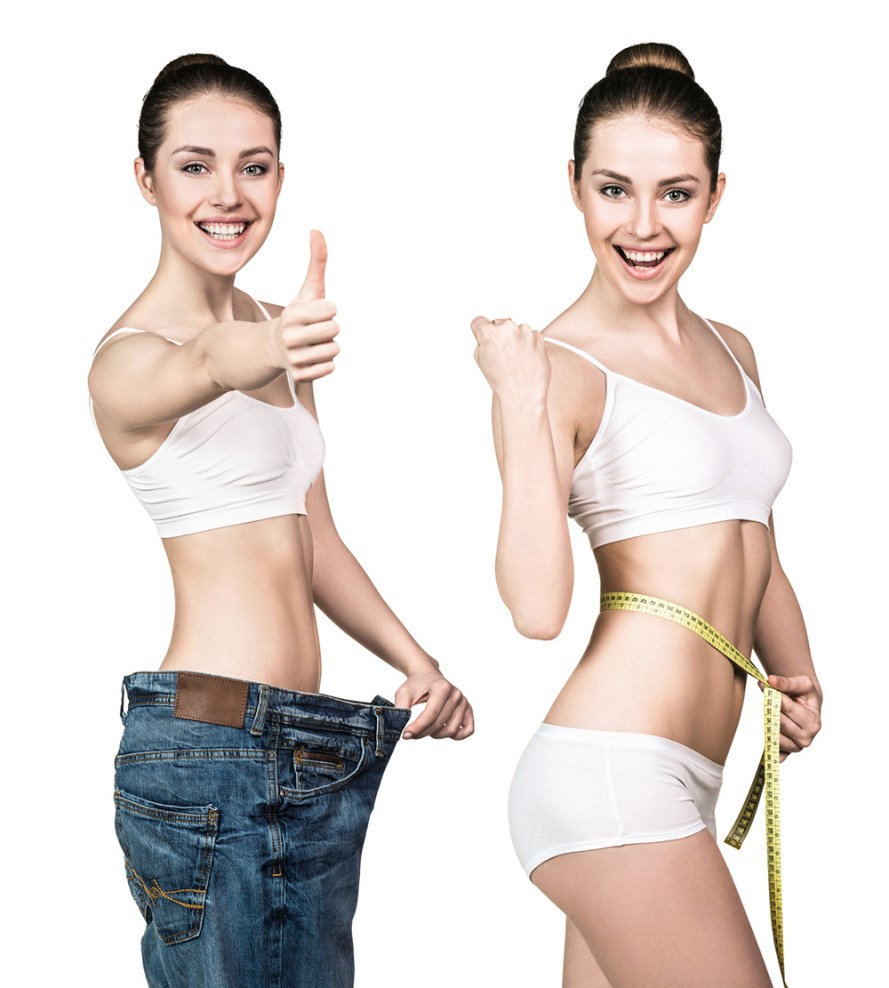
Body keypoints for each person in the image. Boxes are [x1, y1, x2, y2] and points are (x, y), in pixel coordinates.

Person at [89, 54, 473, 988]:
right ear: (145, 179)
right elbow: (205, 362)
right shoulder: (127, 363)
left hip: (303, 747)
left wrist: (415, 660)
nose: (228, 194)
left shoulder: (279, 330)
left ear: (279, 178)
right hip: (211, 757)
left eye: (253, 166)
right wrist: (255, 347)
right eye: (194, 165)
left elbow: (316, 543)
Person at [470, 42, 821, 988]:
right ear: (574, 187)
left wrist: (796, 671)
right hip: (609, 778)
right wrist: (517, 400)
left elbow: (754, 539)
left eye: (674, 193)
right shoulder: (558, 368)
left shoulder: (733, 347)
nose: (642, 225)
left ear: (714, 195)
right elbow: (537, 607)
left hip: (680, 779)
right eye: (613, 190)